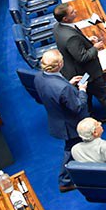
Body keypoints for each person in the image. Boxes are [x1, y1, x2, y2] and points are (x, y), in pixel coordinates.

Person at [53, 3, 106, 125]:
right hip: (86, 72)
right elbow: (82, 57)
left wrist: (86, 41)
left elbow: (72, 47)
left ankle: (90, 117)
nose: (75, 11)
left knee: (87, 94)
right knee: (103, 94)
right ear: (65, 18)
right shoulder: (71, 37)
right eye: (72, 12)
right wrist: (95, 47)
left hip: (73, 70)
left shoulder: (58, 27)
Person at [33, 49, 89, 192]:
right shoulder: (62, 88)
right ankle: (65, 181)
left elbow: (51, 94)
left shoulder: (38, 77)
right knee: (71, 149)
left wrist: (69, 85)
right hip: (70, 124)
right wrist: (82, 90)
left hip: (56, 118)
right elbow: (78, 107)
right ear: (59, 65)